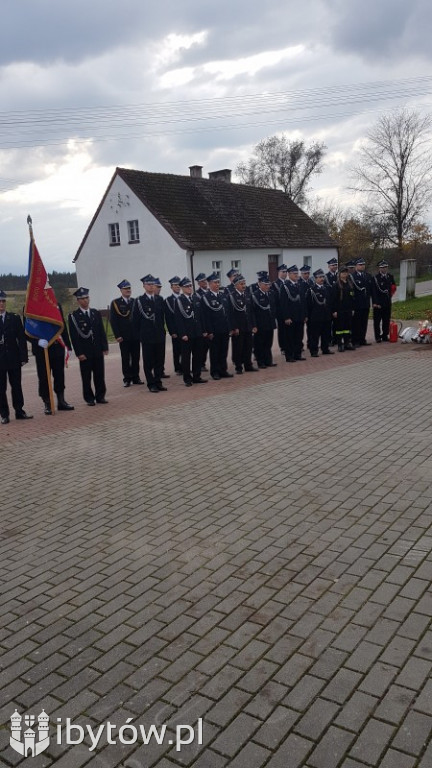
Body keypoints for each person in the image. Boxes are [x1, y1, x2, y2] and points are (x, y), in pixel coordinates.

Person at [29, 303, 74, 414]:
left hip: (56, 346)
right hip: (42, 349)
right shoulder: (31, 306)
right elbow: (27, 330)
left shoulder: (56, 304)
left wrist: (68, 345)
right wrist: (37, 341)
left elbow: (62, 325)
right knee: (44, 377)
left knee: (59, 375)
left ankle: (61, 401)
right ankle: (47, 403)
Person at [68, 287, 109, 405]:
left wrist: (104, 346)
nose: (85, 300)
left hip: (97, 349)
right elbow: (74, 337)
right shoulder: (74, 316)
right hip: (85, 352)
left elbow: (101, 331)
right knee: (86, 377)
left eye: (86, 298)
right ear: (78, 301)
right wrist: (79, 353)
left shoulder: (95, 313)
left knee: (99, 374)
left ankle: (100, 396)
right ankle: (89, 398)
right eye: (82, 299)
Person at [0, 290, 33, 424]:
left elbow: (21, 338)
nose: (1, 304)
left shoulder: (14, 318)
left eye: (3, 301)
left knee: (17, 386)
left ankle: (19, 411)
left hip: (13, 358)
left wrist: (23, 356)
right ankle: (4, 414)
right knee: (1, 388)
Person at [131, 275, 167, 393]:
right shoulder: (139, 301)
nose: (151, 286)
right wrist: (139, 336)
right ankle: (151, 383)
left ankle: (158, 382)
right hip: (147, 336)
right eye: (148, 284)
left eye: (152, 284)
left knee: (159, 361)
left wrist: (162, 331)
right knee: (148, 361)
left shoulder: (159, 299)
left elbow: (162, 318)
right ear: (144, 286)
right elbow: (135, 320)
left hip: (159, 335)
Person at [174, 277, 207, 386]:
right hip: (187, 334)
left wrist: (204, 330)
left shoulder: (196, 298)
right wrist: (182, 333)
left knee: (198, 355)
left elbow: (201, 316)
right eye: (187, 287)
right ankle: (187, 378)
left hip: (198, 332)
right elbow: (178, 319)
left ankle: (197, 376)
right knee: (186, 357)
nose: (189, 288)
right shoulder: (179, 300)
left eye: (190, 286)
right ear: (182, 288)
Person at [110, 279, 143, 387]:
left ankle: (136, 377)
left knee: (136, 357)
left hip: (135, 335)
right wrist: (117, 335)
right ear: (121, 290)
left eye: (129, 288)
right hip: (123, 336)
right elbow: (113, 321)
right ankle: (127, 378)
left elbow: (139, 319)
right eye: (125, 289)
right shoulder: (116, 303)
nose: (128, 290)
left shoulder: (135, 301)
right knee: (125, 358)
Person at [201, 273, 233, 380]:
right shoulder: (206, 298)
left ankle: (223, 370)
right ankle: (215, 372)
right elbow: (205, 316)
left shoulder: (223, 296)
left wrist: (229, 328)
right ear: (209, 284)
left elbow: (227, 313)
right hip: (214, 330)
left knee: (224, 351)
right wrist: (209, 331)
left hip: (224, 329)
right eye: (215, 282)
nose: (217, 284)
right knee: (214, 352)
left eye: (218, 282)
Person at [226, 274, 258, 374]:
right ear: (235, 285)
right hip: (238, 327)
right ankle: (238, 367)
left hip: (248, 325)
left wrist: (254, 325)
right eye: (241, 284)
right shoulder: (231, 296)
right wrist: (234, 327)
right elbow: (230, 314)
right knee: (238, 348)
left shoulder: (247, 295)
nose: (244, 286)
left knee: (248, 346)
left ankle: (248, 365)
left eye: (244, 283)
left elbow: (251, 311)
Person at [279, 265, 306, 362]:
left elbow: (302, 302)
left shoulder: (299, 285)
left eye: (297, 274)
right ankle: (289, 356)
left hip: (299, 316)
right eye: (294, 274)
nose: (296, 276)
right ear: (289, 274)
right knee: (289, 337)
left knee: (299, 336)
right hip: (291, 317)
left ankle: (297, 354)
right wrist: (286, 317)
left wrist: (304, 315)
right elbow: (283, 303)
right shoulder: (285, 287)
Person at [251, 273, 277, 368]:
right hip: (260, 324)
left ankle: (268, 361)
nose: (268, 286)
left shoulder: (271, 294)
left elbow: (274, 308)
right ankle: (260, 361)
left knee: (268, 343)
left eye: (268, 284)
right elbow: (252, 312)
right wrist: (254, 325)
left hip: (269, 323)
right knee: (259, 344)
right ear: (260, 284)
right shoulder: (255, 295)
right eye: (265, 284)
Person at [306, 269, 334, 357]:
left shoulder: (327, 288)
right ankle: (314, 351)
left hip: (326, 316)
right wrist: (309, 317)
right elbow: (308, 305)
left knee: (326, 334)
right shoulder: (311, 290)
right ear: (315, 279)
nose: (322, 279)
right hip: (315, 317)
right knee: (315, 335)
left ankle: (325, 349)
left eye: (323, 277)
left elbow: (329, 303)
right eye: (320, 277)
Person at [371, 260, 397, 342]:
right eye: (382, 267)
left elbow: (393, 287)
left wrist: (391, 294)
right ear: (379, 268)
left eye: (385, 267)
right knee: (377, 321)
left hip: (387, 302)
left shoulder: (390, 276)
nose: (384, 269)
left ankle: (385, 335)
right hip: (378, 303)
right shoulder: (375, 278)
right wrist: (375, 303)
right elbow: (373, 291)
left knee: (386, 320)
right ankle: (378, 337)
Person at [331, 267, 356, 351]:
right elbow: (333, 299)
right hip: (339, 310)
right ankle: (339, 344)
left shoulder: (349, 284)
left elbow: (352, 297)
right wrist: (334, 310)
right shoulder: (336, 285)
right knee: (339, 328)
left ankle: (347, 343)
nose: (345, 274)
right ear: (340, 274)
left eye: (346, 272)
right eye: (343, 272)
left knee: (347, 327)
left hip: (348, 309)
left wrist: (352, 309)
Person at [351, 258, 372, 346]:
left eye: (363, 264)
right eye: (360, 265)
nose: (362, 266)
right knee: (356, 324)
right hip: (357, 304)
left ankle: (362, 339)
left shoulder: (368, 275)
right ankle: (355, 341)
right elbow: (351, 292)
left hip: (365, 303)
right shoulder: (352, 277)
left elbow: (370, 290)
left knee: (364, 323)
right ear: (356, 266)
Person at [164, 277, 182, 375]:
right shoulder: (168, 300)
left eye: (179, 285)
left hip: (185, 329)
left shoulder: (184, 297)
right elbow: (168, 318)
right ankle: (178, 368)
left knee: (185, 350)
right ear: (171, 287)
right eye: (175, 285)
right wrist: (172, 331)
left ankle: (185, 366)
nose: (178, 287)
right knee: (177, 350)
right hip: (175, 329)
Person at [271, 264, 288, 355]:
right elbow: (275, 300)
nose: (285, 274)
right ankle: (283, 348)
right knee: (282, 330)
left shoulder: (288, 283)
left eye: (286, 272)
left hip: (288, 311)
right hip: (280, 311)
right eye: (283, 272)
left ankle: (289, 345)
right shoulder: (275, 284)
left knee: (289, 330)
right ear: (279, 273)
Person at [194, 274, 210, 371]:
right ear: (199, 283)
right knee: (203, 346)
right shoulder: (196, 294)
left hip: (211, 321)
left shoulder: (209, 292)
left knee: (210, 345)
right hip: (202, 323)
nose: (204, 283)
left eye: (205, 281)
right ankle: (201, 363)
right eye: (202, 281)